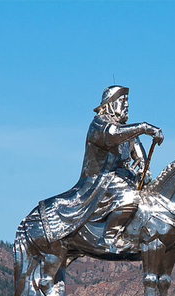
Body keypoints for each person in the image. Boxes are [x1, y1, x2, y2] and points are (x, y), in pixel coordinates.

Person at [38, 86, 163, 249]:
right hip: (101, 181)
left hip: (123, 179)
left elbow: (141, 158)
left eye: (127, 102)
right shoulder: (99, 124)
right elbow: (113, 134)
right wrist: (144, 127)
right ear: (110, 104)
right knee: (130, 198)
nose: (126, 105)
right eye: (122, 101)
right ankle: (109, 238)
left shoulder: (129, 133)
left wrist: (143, 172)